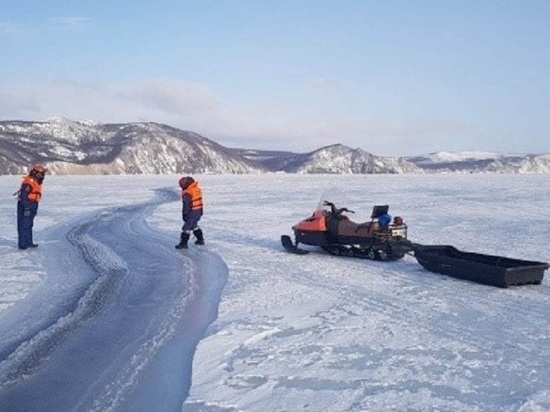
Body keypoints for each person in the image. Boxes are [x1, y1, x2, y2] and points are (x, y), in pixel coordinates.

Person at [17, 164, 46, 250]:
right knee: (24, 225)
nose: (42, 176)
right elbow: (23, 197)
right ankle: (23, 244)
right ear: (35, 173)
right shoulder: (28, 183)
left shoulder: (36, 182)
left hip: (33, 204)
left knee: (29, 225)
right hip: (26, 205)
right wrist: (26, 208)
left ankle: (29, 242)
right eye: (41, 174)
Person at [175, 176, 205, 249]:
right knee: (194, 225)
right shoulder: (196, 189)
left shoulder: (188, 192)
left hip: (192, 212)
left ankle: (183, 243)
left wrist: (185, 213)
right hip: (198, 211)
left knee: (187, 227)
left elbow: (186, 205)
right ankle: (200, 239)